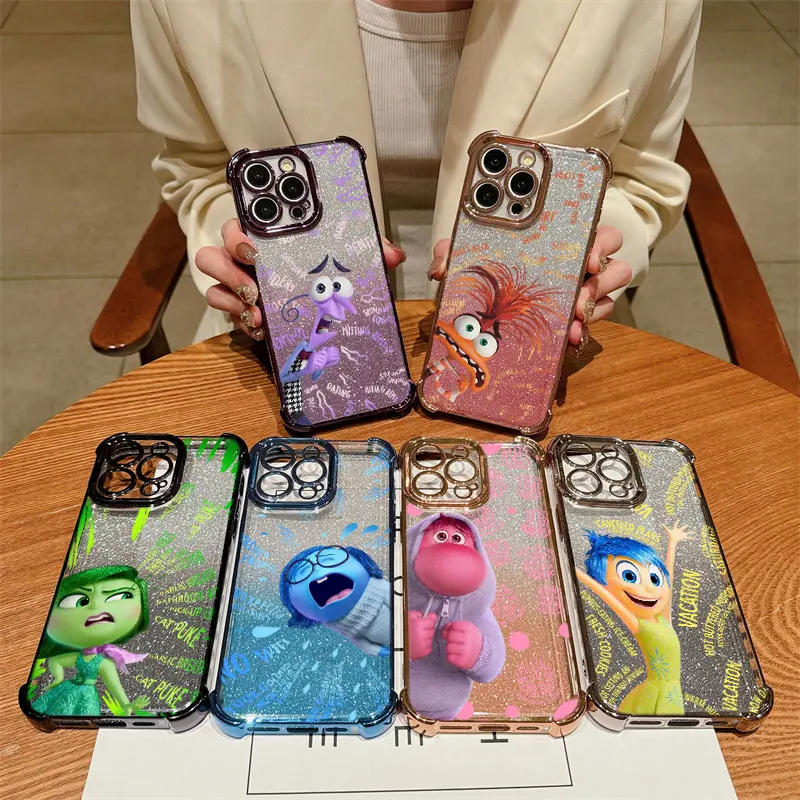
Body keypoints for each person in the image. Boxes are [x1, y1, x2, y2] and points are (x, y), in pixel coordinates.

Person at [131, 0, 701, 348]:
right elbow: (199, 167)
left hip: (538, 343)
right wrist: (239, 249)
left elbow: (640, 178)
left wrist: (590, 251)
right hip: (293, 340)